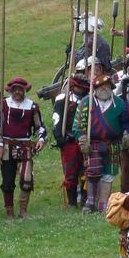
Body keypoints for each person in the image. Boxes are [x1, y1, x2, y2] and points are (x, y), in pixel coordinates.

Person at [0, 77, 46, 220]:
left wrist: (41, 139)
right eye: (15, 90)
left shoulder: (32, 107)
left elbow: (40, 127)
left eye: (20, 89)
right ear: (11, 91)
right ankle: (9, 211)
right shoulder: (2, 105)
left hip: (25, 146)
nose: (17, 92)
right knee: (7, 182)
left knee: (26, 180)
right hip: (7, 147)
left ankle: (23, 210)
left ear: (24, 91)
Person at [77, 73, 129, 213]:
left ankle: (103, 205)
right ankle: (90, 202)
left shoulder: (119, 104)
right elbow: (77, 126)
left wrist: (127, 134)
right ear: (95, 88)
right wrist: (83, 140)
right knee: (93, 173)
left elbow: (126, 123)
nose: (104, 89)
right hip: (92, 144)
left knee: (109, 175)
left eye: (107, 86)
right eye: (101, 86)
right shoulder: (86, 102)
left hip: (112, 144)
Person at [51, 70, 89, 209]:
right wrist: (60, 138)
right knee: (71, 172)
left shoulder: (89, 100)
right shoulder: (63, 99)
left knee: (86, 170)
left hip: (85, 139)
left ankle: (85, 199)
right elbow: (57, 119)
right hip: (69, 141)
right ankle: (72, 202)